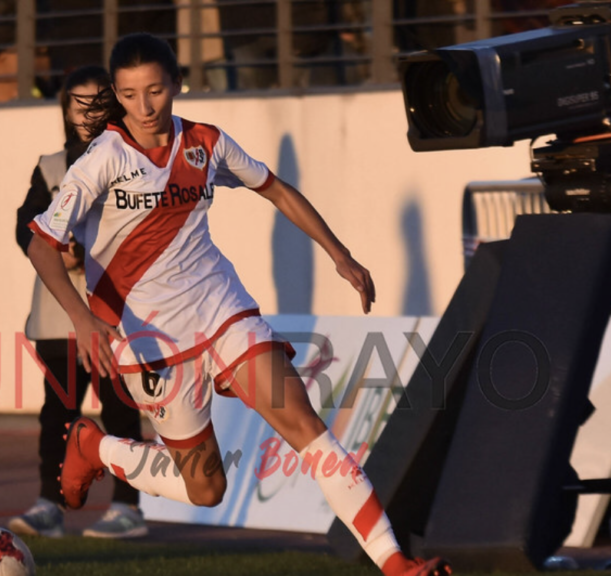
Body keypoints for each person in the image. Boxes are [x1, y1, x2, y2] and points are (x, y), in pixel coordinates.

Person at [26, 33, 451, 576]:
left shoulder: (205, 142)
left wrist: (340, 255)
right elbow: (42, 243)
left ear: (178, 83)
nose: (145, 107)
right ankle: (96, 447)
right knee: (204, 489)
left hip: (220, 309)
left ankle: (395, 564)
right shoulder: (102, 160)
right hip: (148, 337)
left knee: (302, 422)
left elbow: (275, 189)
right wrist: (82, 320)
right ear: (117, 93)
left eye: (155, 90)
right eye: (130, 95)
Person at [10, 66, 148, 539]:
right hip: (58, 317)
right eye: (78, 104)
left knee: (120, 410)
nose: (87, 114)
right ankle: (50, 504)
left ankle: (128, 507)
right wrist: (57, 248)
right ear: (64, 110)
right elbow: (26, 228)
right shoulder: (50, 166)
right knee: (59, 414)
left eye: (97, 103)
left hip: (112, 315)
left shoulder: (131, 159)